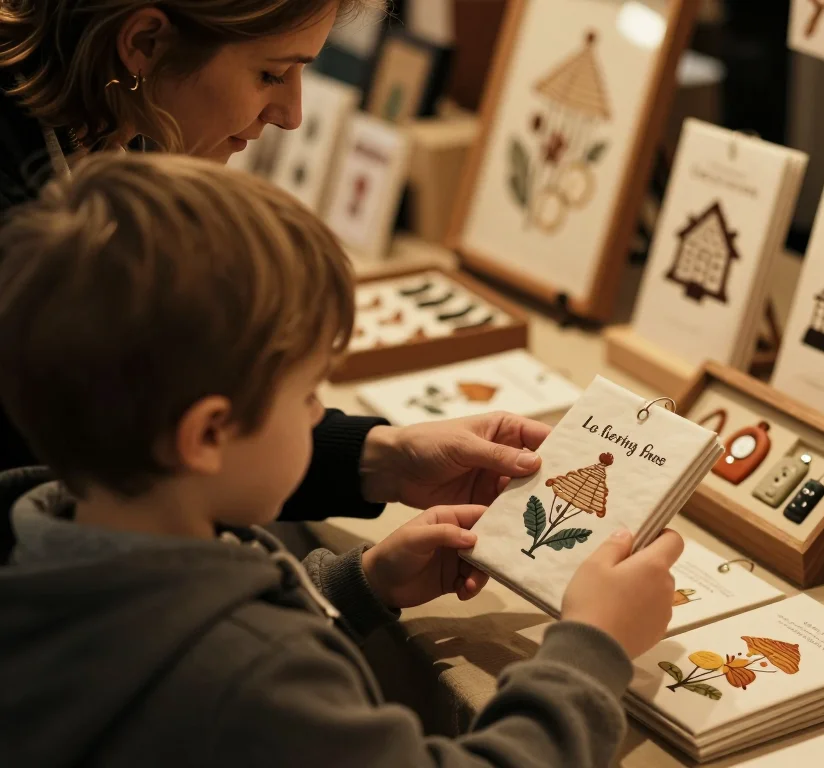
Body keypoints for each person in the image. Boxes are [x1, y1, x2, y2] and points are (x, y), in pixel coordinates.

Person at [0, 153, 685, 766]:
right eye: (306, 395)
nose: (318, 413)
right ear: (208, 434)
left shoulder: (47, 556)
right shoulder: (258, 677)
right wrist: (592, 647)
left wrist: (358, 585)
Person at [0, 0, 545, 557]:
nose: (292, 115)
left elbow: (147, 432)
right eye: (271, 74)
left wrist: (380, 456)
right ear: (144, 43)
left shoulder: (121, 123)